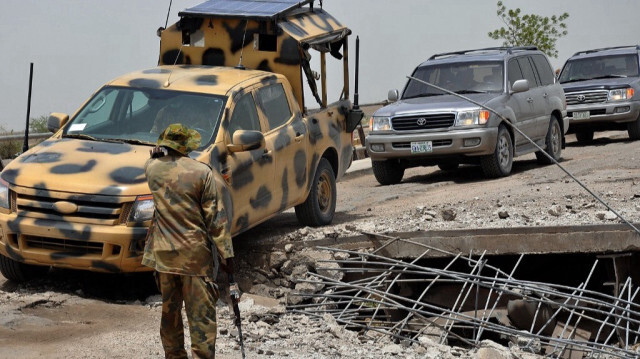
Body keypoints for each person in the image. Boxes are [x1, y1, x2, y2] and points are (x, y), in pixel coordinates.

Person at [142, 123, 236, 359]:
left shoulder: (152, 169)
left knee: (170, 314)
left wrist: (156, 154)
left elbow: (152, 160)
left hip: (163, 256)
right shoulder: (202, 173)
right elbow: (215, 219)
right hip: (194, 258)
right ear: (187, 146)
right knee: (201, 317)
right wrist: (227, 256)